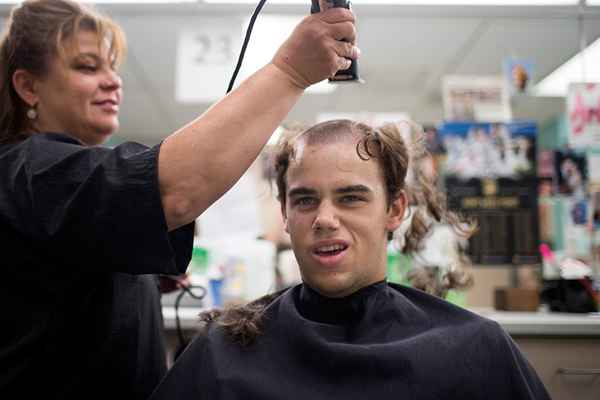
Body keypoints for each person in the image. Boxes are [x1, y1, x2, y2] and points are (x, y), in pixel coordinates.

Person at [0, 1, 358, 399]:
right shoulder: (29, 172)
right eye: (88, 67)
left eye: (112, 68)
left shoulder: (55, 189)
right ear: (28, 86)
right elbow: (174, 191)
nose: (112, 81)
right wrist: (290, 72)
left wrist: (143, 281)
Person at [150, 119, 551, 400]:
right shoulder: (225, 350)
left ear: (394, 210)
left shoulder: (474, 349)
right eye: (305, 200)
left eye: (351, 198)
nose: (325, 219)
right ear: (286, 214)